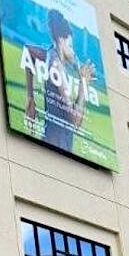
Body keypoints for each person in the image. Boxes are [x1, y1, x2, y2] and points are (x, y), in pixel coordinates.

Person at [23, 9, 94, 152]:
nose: (73, 52)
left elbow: (28, 51)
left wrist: (30, 97)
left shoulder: (50, 53)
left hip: (54, 140)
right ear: (61, 40)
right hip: (56, 144)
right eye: (71, 46)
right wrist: (83, 84)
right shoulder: (57, 67)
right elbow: (75, 121)